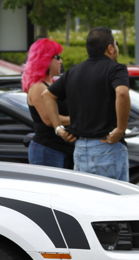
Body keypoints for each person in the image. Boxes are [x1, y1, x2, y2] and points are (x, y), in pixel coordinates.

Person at [42, 27, 130, 181]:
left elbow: (47, 95)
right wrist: (120, 129)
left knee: (86, 196)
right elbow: (122, 93)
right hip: (107, 147)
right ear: (110, 48)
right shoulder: (116, 69)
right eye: (116, 44)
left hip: (80, 149)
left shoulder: (73, 71)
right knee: (113, 196)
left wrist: (58, 128)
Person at [23, 38, 74, 168]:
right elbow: (49, 120)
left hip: (62, 147)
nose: (61, 61)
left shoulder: (52, 84)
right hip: (48, 149)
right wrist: (78, 119)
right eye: (58, 57)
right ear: (45, 59)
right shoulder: (38, 87)